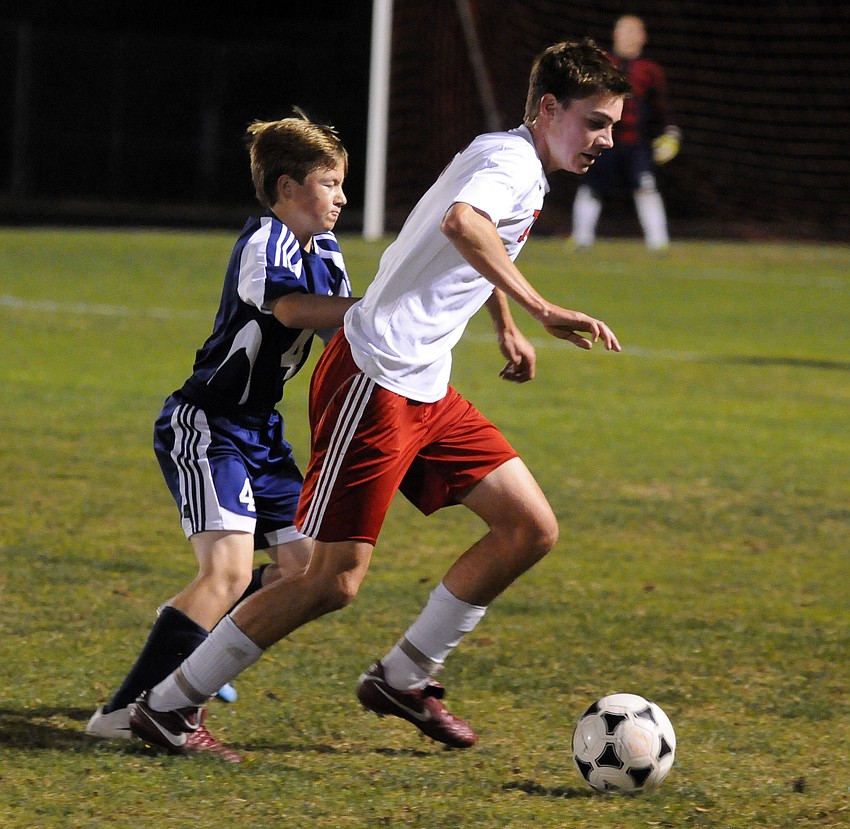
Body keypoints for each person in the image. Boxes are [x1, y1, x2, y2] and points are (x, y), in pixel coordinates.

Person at [127, 38, 629, 756]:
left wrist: (507, 325)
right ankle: (169, 705)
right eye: (595, 122)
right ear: (550, 108)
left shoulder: (524, 166)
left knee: (528, 528)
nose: (606, 139)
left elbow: (470, 246)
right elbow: (464, 224)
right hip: (376, 377)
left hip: (426, 384)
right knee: (330, 581)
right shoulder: (509, 162)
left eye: (611, 126)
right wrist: (544, 308)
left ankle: (405, 675)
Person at [86, 112, 356, 760]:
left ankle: (188, 635)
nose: (343, 196)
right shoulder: (267, 239)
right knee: (229, 571)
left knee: (308, 571)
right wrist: (381, 311)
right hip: (209, 425)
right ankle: (125, 712)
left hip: (261, 436)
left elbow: (345, 334)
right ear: (288, 188)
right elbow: (293, 309)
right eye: (330, 182)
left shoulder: (327, 251)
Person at [569, 15, 681, 252]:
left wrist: (671, 132)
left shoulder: (650, 70)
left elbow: (662, 106)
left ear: (643, 37)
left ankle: (658, 243)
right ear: (615, 35)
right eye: (625, 31)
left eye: (634, 32)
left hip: (636, 141)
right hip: (601, 139)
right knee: (592, 186)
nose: (629, 37)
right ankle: (581, 239)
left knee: (646, 186)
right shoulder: (602, 64)